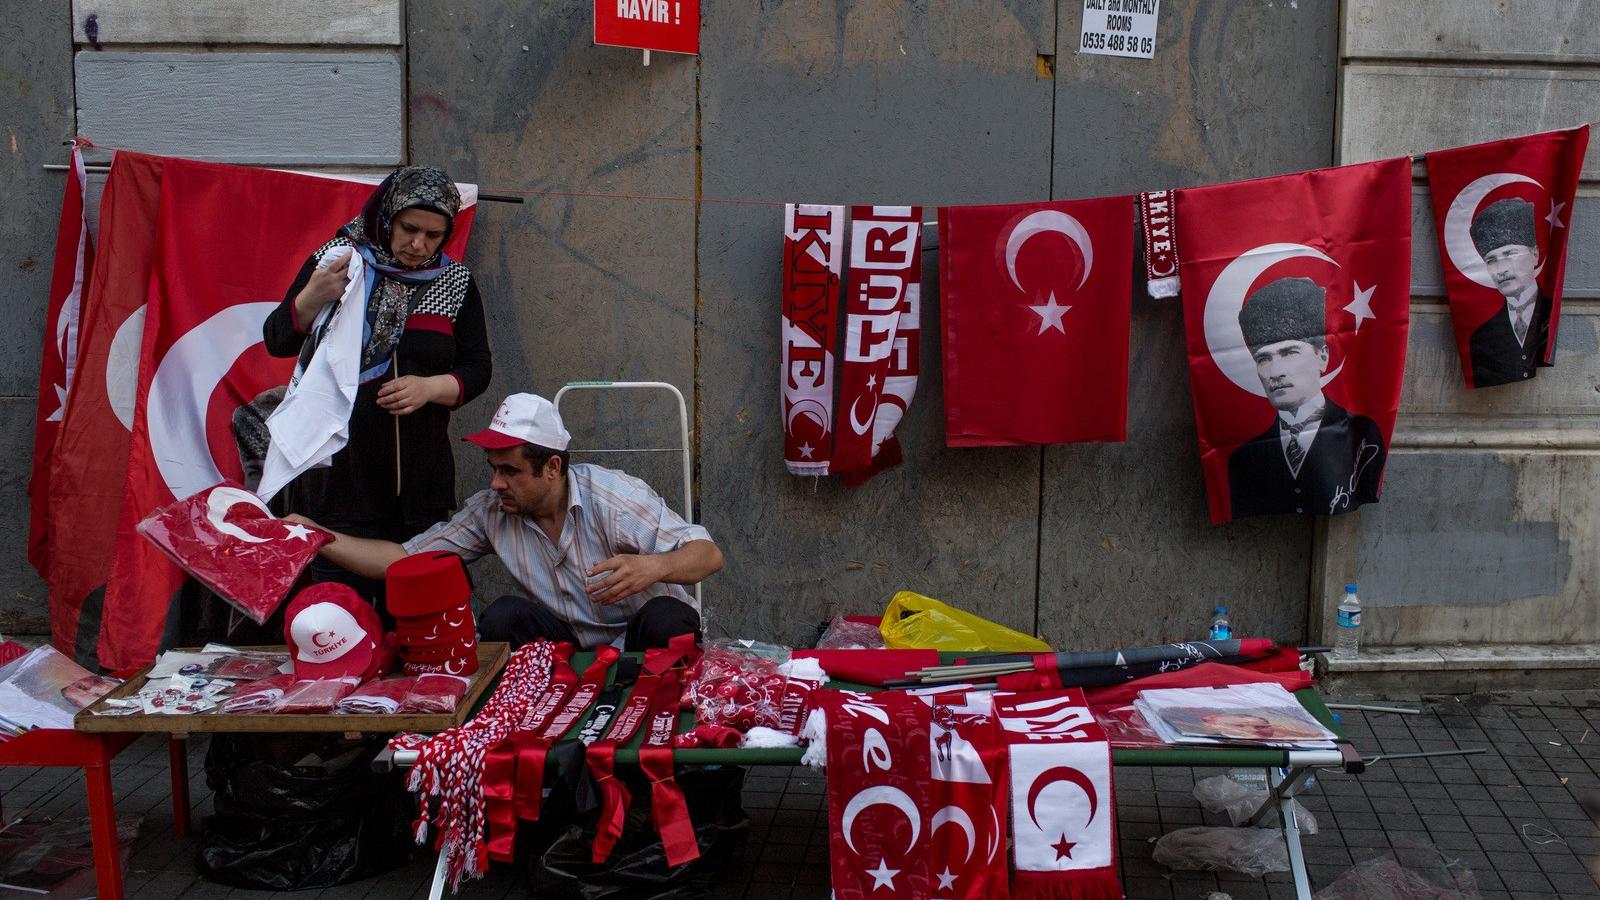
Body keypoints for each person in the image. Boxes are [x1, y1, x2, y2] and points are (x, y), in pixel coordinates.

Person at [288, 393, 722, 651]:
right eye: (493, 468)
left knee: (667, 615)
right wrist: (317, 536)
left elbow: (708, 554)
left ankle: (688, 766)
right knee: (502, 617)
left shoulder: (613, 497)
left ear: (551, 468)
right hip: (572, 646)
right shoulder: (491, 511)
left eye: (509, 471)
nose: (496, 483)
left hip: (645, 639)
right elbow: (403, 558)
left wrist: (654, 566)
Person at [262, 166, 491, 609]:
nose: (419, 244)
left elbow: (478, 367)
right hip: (340, 480)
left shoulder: (455, 281)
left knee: (418, 613)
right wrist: (313, 296)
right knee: (340, 617)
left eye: (433, 234)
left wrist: (432, 388)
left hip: (420, 487)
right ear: (388, 215)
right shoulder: (340, 259)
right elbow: (277, 339)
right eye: (409, 229)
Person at [1226, 277, 1387, 519]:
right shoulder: (1243, 459)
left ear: (1322, 357)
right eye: (1263, 359)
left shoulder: (1362, 433)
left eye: (1289, 353)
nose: (1275, 372)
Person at [1467, 198, 1552, 387]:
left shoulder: (1555, 315)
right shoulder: (1481, 338)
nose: (1501, 269)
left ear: (1535, 254)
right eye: (1491, 260)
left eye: (1510, 254)